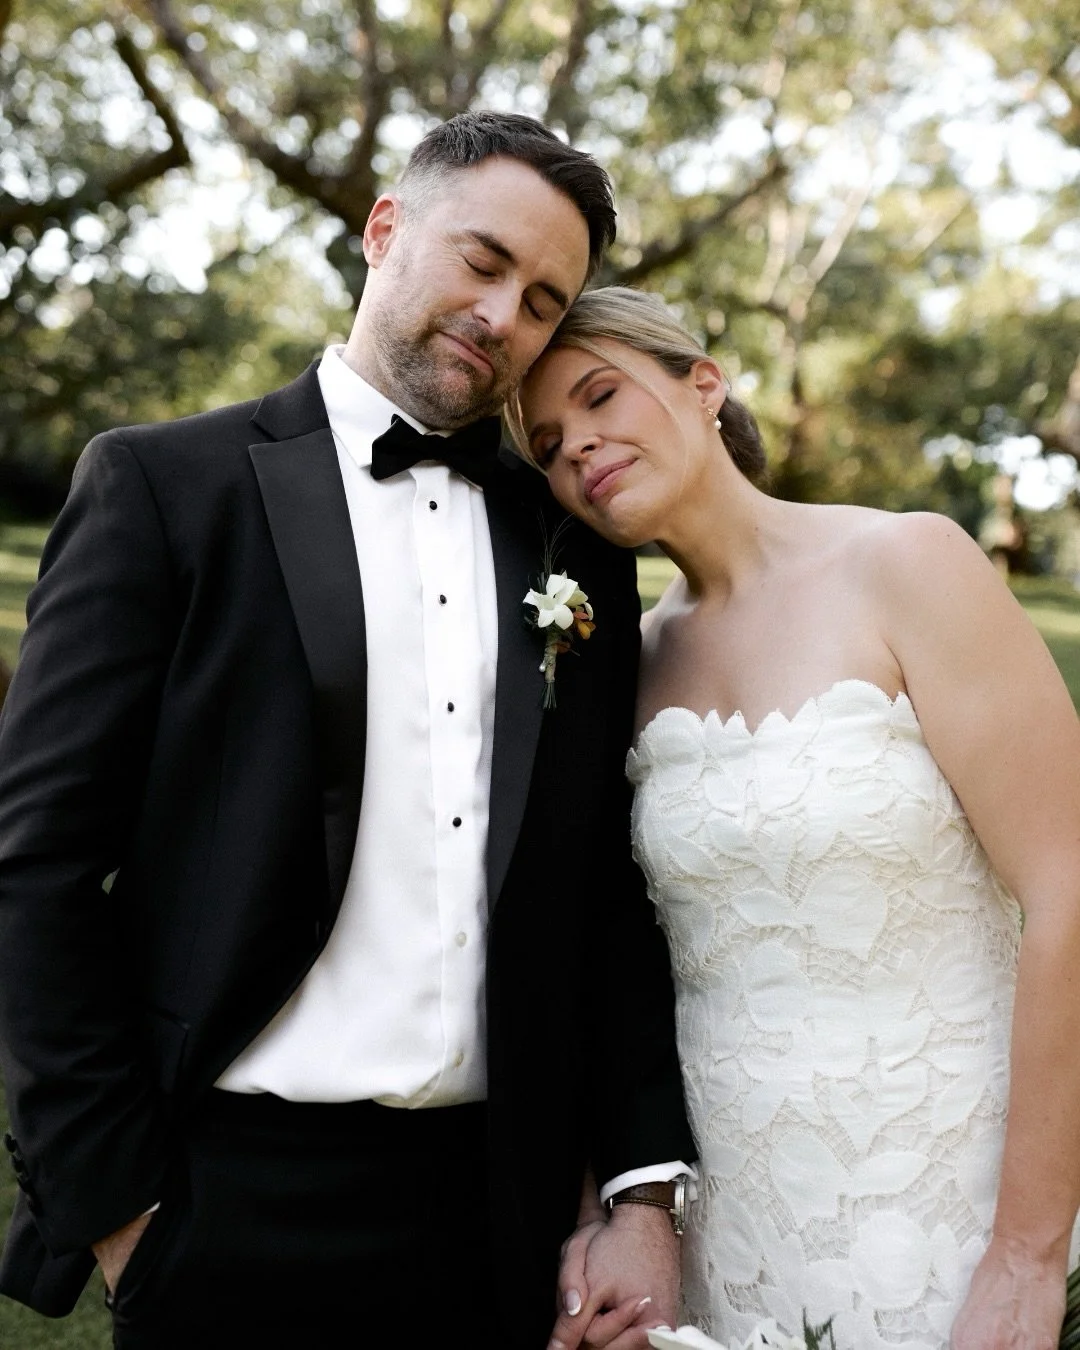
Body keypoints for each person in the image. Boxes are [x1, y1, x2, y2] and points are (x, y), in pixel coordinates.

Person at [0, 120, 695, 1350]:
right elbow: (38, 863)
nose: (502, 315)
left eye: (543, 301)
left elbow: (603, 889)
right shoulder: (165, 490)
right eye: (480, 261)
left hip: (502, 1213)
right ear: (386, 229)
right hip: (227, 1201)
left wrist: (639, 1186)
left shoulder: (578, 551)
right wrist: (119, 1205)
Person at [513, 285, 1080, 1350]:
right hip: (735, 1223)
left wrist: (1027, 1252)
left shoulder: (907, 565)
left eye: (600, 397)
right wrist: (613, 1216)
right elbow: (595, 963)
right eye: (547, 443)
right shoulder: (616, 666)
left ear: (703, 384)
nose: (578, 446)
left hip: (957, 1198)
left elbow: (1070, 892)